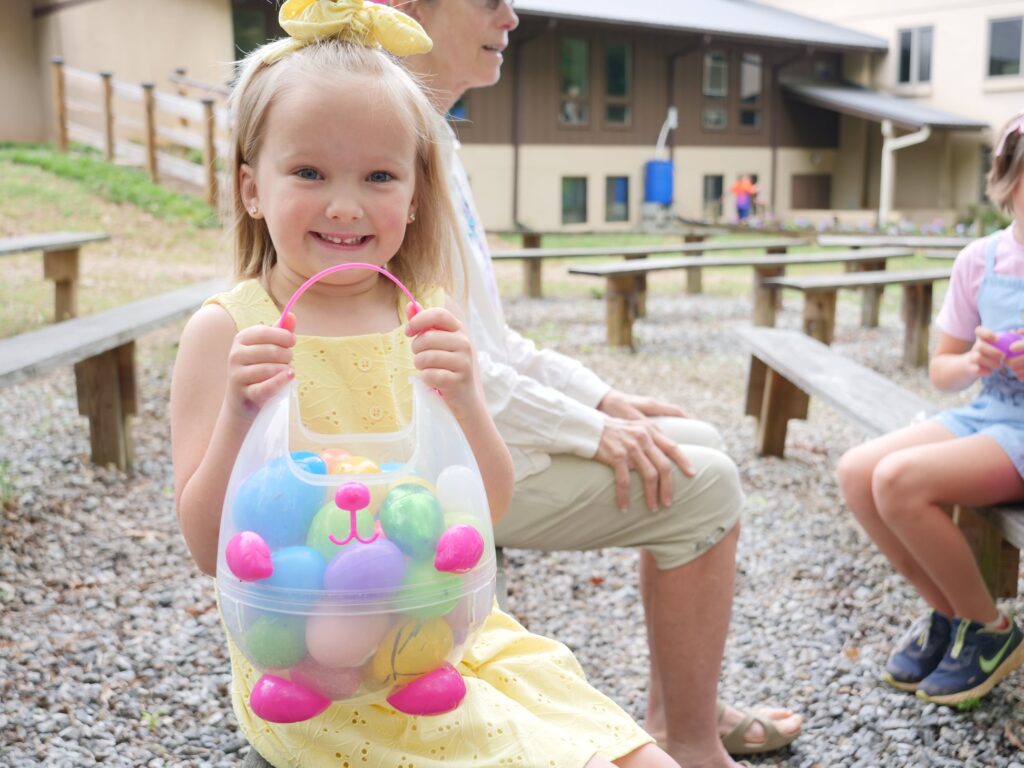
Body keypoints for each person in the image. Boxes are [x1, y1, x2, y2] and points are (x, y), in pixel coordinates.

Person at [170, 4, 680, 767]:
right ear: (251, 187)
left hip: (445, 636)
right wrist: (240, 416)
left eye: (379, 176)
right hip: (318, 678)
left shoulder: (425, 317)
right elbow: (209, 549)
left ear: (414, 196)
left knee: (632, 751)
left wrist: (468, 398)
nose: (345, 204)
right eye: (309, 172)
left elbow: (488, 508)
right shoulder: (230, 333)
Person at [394, 0, 802, 764]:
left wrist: (599, 399)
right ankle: (690, 741)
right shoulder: (393, 145)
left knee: (693, 438)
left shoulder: (435, 135)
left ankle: (684, 713)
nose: (510, 18)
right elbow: (443, 366)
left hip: (468, 428)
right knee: (703, 484)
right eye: (487, 1)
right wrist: (593, 430)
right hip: (434, 464)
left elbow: (489, 342)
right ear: (408, 7)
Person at [836, 112, 1024, 708]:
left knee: (899, 479)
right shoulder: (981, 260)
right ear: (1007, 182)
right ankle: (952, 615)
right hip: (989, 412)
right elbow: (941, 369)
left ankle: (990, 630)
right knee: (857, 472)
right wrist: (973, 361)